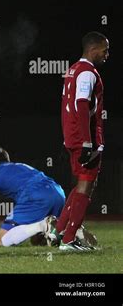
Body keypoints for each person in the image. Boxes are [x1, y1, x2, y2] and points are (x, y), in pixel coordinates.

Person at [56, 31, 108, 251]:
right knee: (87, 184)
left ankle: (59, 230)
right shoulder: (87, 71)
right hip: (83, 138)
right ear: (93, 49)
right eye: (105, 50)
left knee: (81, 184)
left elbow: (70, 105)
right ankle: (68, 239)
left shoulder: (73, 70)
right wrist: (88, 142)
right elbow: (81, 105)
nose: (107, 54)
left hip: (72, 135)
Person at [0, 148, 65, 247]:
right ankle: (67, 230)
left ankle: (43, 225)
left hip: (36, 196)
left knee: (1, 239)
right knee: (36, 241)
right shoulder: (20, 166)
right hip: (58, 193)